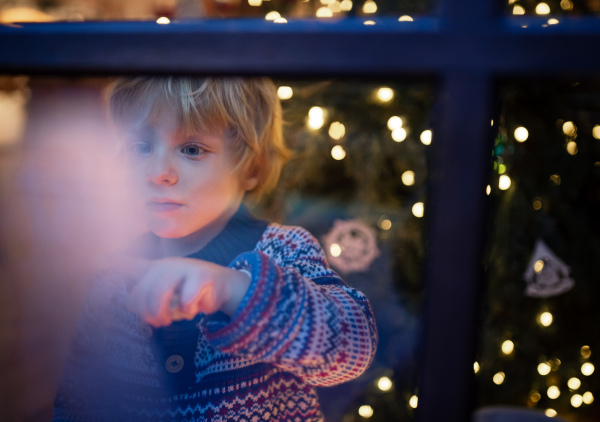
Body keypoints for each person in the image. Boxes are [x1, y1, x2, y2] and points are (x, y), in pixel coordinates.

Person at [53, 76, 378, 421]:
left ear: (251, 169)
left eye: (192, 149)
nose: (157, 171)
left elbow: (351, 347)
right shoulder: (114, 275)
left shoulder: (283, 249)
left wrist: (232, 289)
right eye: (140, 147)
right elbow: (77, 402)